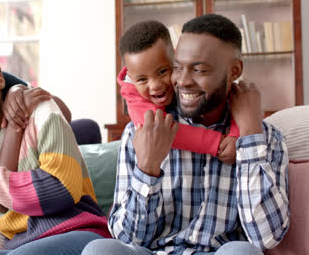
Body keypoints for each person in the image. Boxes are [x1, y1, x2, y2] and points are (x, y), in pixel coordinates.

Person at [82, 14, 289, 255]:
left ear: (234, 70)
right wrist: (147, 169)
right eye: (178, 67)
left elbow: (265, 238)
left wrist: (251, 137)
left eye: (199, 70)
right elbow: (127, 238)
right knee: (100, 250)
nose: (182, 81)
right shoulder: (144, 131)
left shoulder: (267, 140)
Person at [0, 45, 112, 254]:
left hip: (76, 230)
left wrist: (17, 88)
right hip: (23, 245)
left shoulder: (37, 108)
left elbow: (63, 188)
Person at [117, 20, 239, 164]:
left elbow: (237, 103)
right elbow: (165, 132)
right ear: (131, 78)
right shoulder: (134, 99)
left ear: (176, 60)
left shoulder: (189, 74)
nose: (155, 86)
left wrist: (236, 134)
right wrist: (217, 143)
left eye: (162, 72)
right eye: (142, 80)